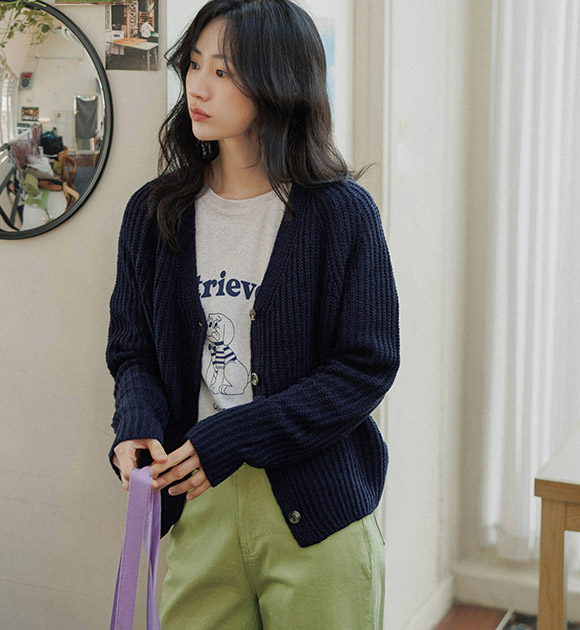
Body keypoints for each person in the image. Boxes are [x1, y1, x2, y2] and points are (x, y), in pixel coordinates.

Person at [106, 1, 399, 628]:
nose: (198, 87)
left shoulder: (342, 214)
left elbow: (366, 366)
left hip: (317, 514)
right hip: (198, 505)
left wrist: (235, 436)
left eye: (224, 71)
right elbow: (133, 351)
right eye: (194, 65)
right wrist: (136, 426)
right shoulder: (154, 214)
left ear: (278, 83)